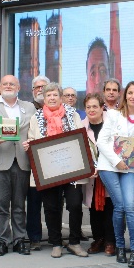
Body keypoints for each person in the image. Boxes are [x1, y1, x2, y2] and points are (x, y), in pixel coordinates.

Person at [24, 82, 88, 258]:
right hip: (48, 170)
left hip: (72, 168)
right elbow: (31, 139)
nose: (52, 98)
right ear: (44, 99)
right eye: (48, 95)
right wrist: (28, 145)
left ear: (61, 98)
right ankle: (56, 242)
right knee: (51, 207)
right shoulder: (36, 118)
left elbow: (81, 136)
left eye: (55, 95)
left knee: (75, 205)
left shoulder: (72, 114)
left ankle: (74, 242)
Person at [0, 76, 36, 256]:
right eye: (5, 84)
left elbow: (35, 131)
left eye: (12, 83)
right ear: (0, 86)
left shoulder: (29, 107)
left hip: (22, 160)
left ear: (19, 87)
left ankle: (20, 239)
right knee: (1, 205)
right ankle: (3, 240)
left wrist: (33, 142)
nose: (8, 86)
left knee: (19, 205)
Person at [97, 81, 134, 267]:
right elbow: (101, 142)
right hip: (110, 165)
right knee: (119, 205)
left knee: (130, 206)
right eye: (130, 93)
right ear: (125, 95)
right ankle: (120, 246)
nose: (133, 96)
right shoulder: (113, 115)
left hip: (131, 167)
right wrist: (116, 161)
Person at [81, 93, 115, 255]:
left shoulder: (113, 124)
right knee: (94, 208)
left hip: (110, 173)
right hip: (91, 176)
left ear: (102, 107)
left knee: (110, 207)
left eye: (95, 106)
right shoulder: (80, 127)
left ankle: (110, 241)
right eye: (88, 107)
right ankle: (98, 239)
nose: (91, 110)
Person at [27, 75, 50, 250]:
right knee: (34, 202)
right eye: (37, 87)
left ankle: (54, 235)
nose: (40, 89)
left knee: (53, 202)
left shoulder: (58, 108)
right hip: (31, 163)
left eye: (44, 86)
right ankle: (34, 237)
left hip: (53, 164)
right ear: (32, 91)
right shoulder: (26, 109)